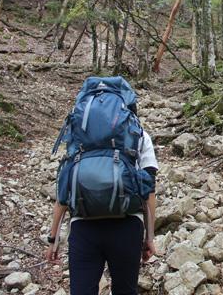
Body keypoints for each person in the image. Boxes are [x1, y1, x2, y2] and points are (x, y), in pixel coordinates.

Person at [45, 114, 158, 295]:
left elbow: (65, 190)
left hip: (83, 226)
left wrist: (53, 239)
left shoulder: (79, 134)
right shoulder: (138, 134)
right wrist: (149, 238)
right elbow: (149, 191)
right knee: (125, 291)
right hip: (127, 226)